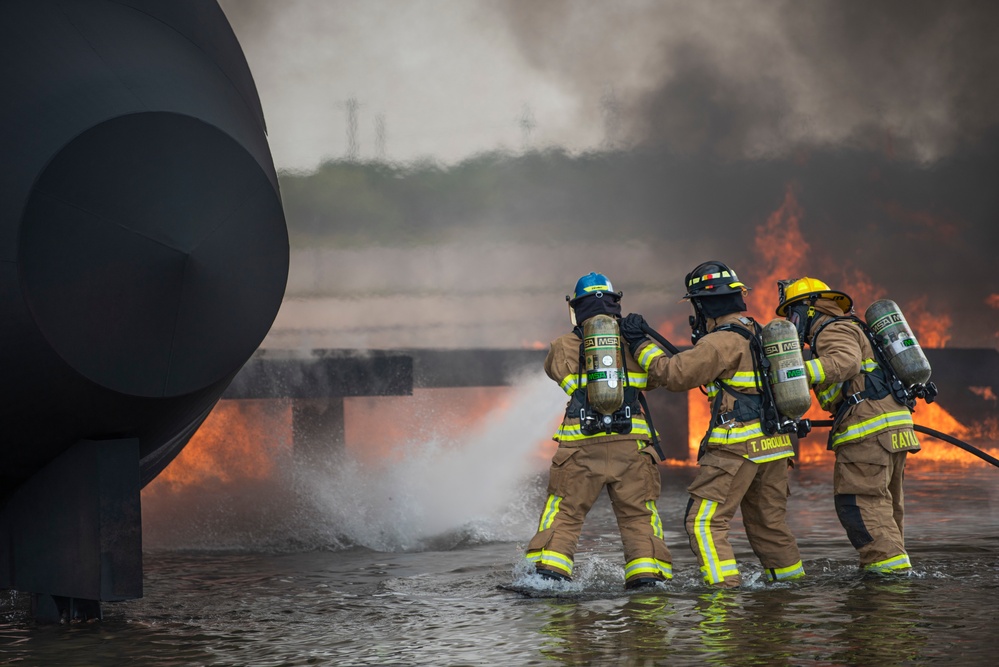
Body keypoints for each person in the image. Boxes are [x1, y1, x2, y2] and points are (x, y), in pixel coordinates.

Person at [619, 261, 805, 588]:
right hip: (775, 446)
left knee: (704, 524)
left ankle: (722, 597)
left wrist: (638, 343)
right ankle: (791, 593)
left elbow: (673, 375)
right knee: (770, 526)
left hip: (737, 447)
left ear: (703, 305)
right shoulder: (760, 332)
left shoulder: (721, 341)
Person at [525, 272, 673, 590]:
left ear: (576, 308)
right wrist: (636, 341)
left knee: (565, 512)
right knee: (638, 515)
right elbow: (660, 376)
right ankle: (646, 577)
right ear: (616, 304)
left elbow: (554, 371)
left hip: (581, 447)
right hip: (632, 448)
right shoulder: (634, 343)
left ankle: (549, 577)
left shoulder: (562, 346)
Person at [776, 277, 919, 574]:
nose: (792, 322)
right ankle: (892, 570)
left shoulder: (832, 329)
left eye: (793, 313)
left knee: (859, 503)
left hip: (868, 430)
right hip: (892, 428)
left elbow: (846, 362)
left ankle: (889, 582)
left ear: (809, 309)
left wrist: (792, 372)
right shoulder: (852, 327)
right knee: (884, 506)